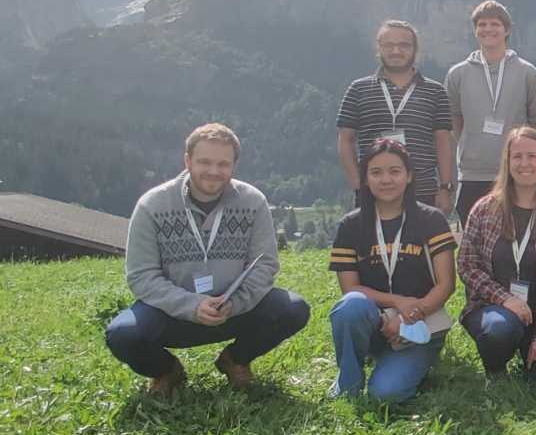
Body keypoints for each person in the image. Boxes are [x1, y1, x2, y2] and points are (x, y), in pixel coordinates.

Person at [106, 123, 310, 396]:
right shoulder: (152, 205)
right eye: (204, 162)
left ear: (234, 165)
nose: (214, 171)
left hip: (234, 310)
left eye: (223, 164)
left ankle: (235, 360)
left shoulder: (253, 202)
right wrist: (192, 305)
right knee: (123, 335)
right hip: (172, 314)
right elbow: (142, 276)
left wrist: (234, 303)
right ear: (187, 160)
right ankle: (167, 371)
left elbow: (265, 264)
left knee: (293, 308)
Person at [328, 138, 457, 402]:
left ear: (409, 176)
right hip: (375, 322)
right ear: (365, 178)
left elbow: (446, 285)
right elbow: (351, 289)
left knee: (385, 394)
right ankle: (348, 383)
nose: (386, 179)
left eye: (395, 171)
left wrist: (408, 315)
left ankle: (412, 360)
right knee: (351, 305)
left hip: (420, 324)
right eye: (376, 172)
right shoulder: (350, 226)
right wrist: (397, 302)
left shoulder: (431, 219)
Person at [457, 127, 536, 384]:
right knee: (499, 331)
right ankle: (496, 368)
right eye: (517, 156)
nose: (525, 163)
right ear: (507, 162)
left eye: (532, 156)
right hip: (494, 310)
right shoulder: (484, 209)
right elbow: (467, 265)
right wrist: (505, 300)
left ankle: (531, 348)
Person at [337, 20, 455, 212]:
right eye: (389, 45)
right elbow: (345, 140)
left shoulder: (436, 91)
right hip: (372, 193)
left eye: (404, 45)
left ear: (415, 50)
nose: (396, 51)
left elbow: (443, 142)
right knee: (373, 243)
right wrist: (358, 184)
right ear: (379, 49)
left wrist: (445, 188)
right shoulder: (358, 89)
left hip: (423, 192)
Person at [446, 0, 536, 225]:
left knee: (514, 235)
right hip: (472, 173)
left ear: (506, 29)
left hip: (514, 171)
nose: (488, 29)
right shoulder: (457, 74)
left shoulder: (527, 72)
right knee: (475, 237)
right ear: (475, 30)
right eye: (482, 24)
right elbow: (454, 121)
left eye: (495, 24)